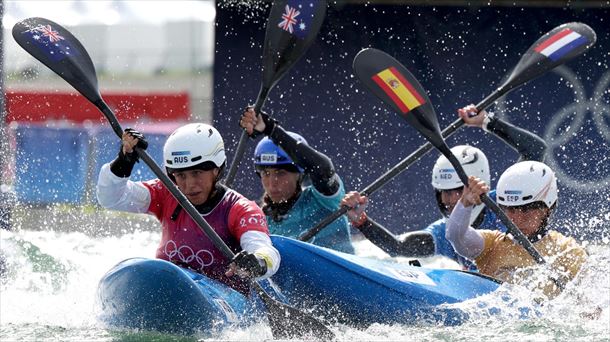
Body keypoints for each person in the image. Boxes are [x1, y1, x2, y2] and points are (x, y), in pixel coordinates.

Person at [341, 104, 547, 268]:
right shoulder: (445, 231)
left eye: (457, 191)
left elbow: (536, 150)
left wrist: (487, 122)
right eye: (443, 193)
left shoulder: (507, 202)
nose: (449, 200)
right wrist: (361, 221)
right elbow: (398, 247)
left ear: (477, 181)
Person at [96, 124, 280, 294]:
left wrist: (257, 262)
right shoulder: (166, 193)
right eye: (181, 175)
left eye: (197, 173)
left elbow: (266, 250)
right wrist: (124, 160)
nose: (189, 185)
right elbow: (112, 198)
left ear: (217, 169)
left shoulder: (240, 209)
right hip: (169, 289)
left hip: (221, 298)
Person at [446, 161, 587, 299]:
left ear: (547, 209)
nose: (517, 219)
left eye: (526, 209)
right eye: (510, 209)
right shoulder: (491, 244)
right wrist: (465, 202)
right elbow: (456, 237)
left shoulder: (567, 250)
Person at [240, 107, 355, 254]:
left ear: (300, 175)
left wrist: (271, 129)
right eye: (266, 173)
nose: (272, 182)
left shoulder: (323, 200)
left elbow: (322, 167)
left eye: (281, 173)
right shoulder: (259, 220)